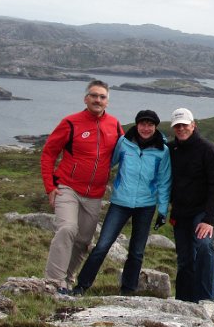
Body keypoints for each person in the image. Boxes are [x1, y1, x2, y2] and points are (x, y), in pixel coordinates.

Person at [71, 110, 172, 296]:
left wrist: (163, 210)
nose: (146, 128)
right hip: (120, 202)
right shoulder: (124, 143)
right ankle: (81, 286)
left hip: (146, 205)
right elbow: (107, 164)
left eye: (150, 124)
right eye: (143, 123)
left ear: (155, 127)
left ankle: (127, 290)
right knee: (102, 245)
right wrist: (83, 181)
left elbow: (164, 181)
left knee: (137, 251)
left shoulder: (162, 151)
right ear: (137, 124)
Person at [40, 80, 124, 294]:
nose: (98, 100)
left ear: (108, 101)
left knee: (84, 240)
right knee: (67, 228)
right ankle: (53, 281)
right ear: (86, 98)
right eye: (94, 96)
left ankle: (67, 279)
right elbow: (49, 153)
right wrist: (50, 186)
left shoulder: (114, 125)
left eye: (102, 97)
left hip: (95, 194)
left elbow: (127, 151)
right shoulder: (70, 122)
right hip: (68, 187)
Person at [168, 107, 214, 302]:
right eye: (177, 126)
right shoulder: (171, 150)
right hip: (181, 212)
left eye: (184, 125)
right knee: (184, 259)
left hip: (202, 213)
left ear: (193, 125)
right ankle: (184, 301)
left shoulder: (209, 150)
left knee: (203, 246)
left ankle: (207, 299)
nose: (181, 129)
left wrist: (209, 220)